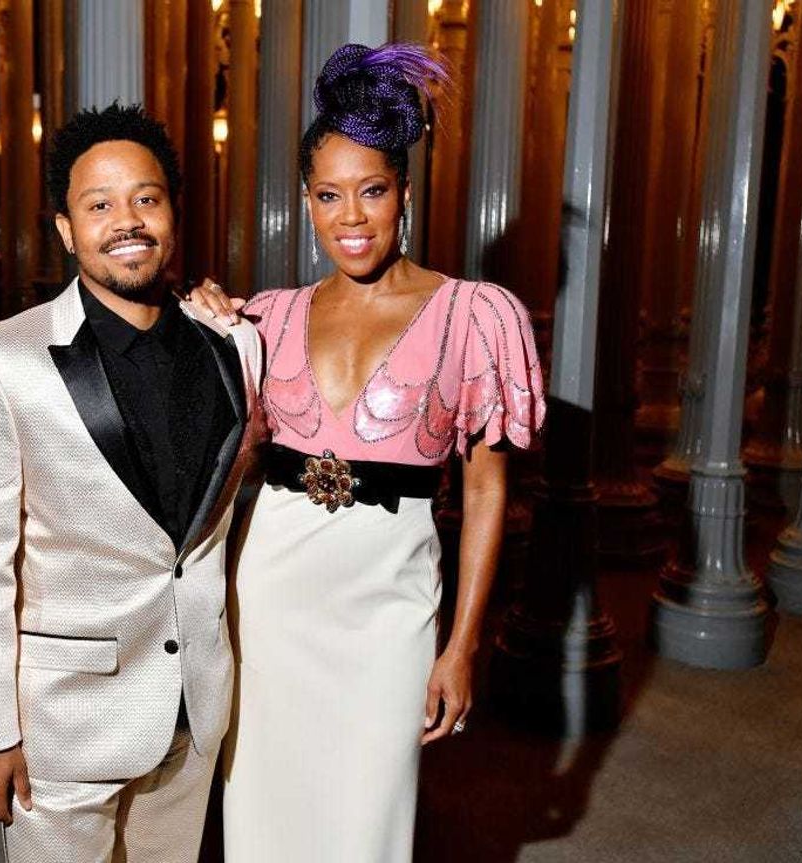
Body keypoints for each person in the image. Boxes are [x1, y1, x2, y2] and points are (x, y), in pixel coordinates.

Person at [190, 43, 546, 861]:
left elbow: (487, 492)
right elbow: (226, 461)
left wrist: (461, 646)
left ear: (406, 193)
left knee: (368, 825)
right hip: (273, 596)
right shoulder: (268, 319)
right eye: (329, 195)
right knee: (265, 818)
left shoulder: (474, 317)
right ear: (307, 202)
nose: (351, 218)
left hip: (389, 603)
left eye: (372, 191)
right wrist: (203, 332)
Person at [0, 102, 263, 863]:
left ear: (173, 212)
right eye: (100, 203)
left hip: (193, 709)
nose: (128, 220)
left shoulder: (233, 344)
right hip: (63, 724)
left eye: (146, 198)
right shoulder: (2, 359)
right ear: (65, 228)